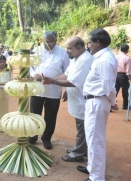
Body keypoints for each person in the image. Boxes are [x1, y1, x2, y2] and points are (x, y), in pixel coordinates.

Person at [77, 29, 118, 181]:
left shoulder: (104, 60)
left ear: (98, 43)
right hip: (95, 100)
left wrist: (112, 101)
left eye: (90, 42)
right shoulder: (101, 57)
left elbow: (108, 85)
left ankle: (96, 177)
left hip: (97, 101)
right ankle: (91, 168)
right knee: (92, 137)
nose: (88, 45)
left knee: (96, 140)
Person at [43, 36, 93, 162]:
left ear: (79, 47)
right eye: (66, 47)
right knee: (81, 127)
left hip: (84, 100)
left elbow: (72, 82)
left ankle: (78, 153)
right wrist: (51, 79)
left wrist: (53, 81)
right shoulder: (76, 58)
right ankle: (81, 148)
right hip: (77, 98)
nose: (67, 50)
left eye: (69, 48)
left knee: (82, 128)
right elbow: (67, 75)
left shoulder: (85, 60)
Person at [29, 31, 70, 149]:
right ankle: (32, 135)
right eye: (46, 42)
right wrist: (34, 73)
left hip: (54, 89)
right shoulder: (36, 51)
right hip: (37, 88)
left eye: (51, 41)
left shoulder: (63, 53)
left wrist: (67, 89)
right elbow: (30, 67)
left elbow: (68, 71)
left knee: (50, 115)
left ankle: (46, 138)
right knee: (35, 113)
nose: (48, 44)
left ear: (56, 40)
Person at [115, 44, 131, 110]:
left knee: (115, 90)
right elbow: (128, 70)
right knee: (125, 91)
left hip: (116, 74)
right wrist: (129, 78)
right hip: (123, 76)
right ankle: (125, 105)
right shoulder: (127, 58)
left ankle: (110, 105)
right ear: (127, 50)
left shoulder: (116, 57)